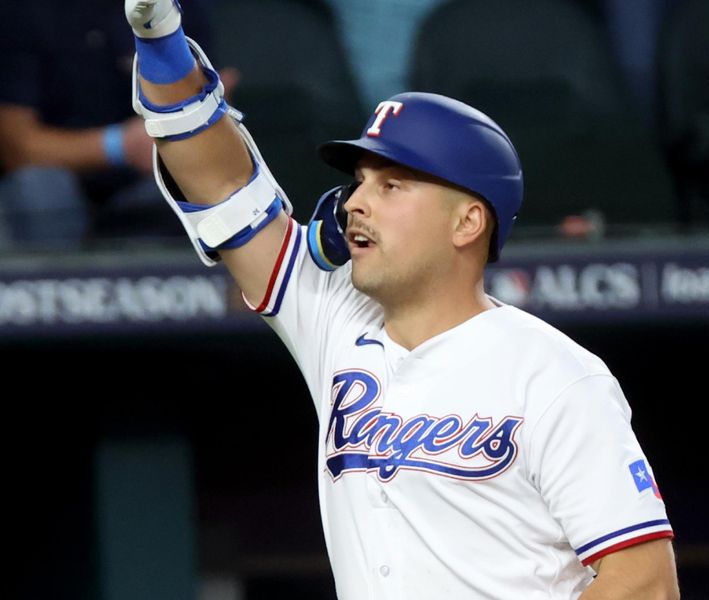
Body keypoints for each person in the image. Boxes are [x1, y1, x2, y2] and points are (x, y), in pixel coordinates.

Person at [123, 1, 680, 597]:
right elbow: (223, 185)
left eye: (392, 185)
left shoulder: (557, 376)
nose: (356, 202)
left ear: (468, 222)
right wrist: (161, 38)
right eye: (359, 182)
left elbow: (643, 581)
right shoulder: (333, 317)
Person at [0, 0, 217, 249]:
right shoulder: (22, 10)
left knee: (187, 182)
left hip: (140, 184)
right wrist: (120, 145)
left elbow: (202, 111)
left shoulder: (175, 6)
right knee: (39, 189)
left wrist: (203, 116)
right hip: (51, 184)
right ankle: (56, 286)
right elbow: (16, 148)